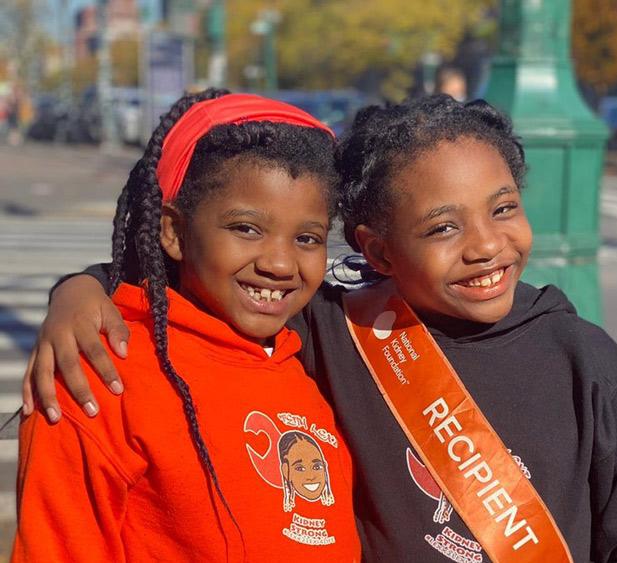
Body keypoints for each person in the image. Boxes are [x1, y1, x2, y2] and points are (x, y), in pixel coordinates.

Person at [25, 95, 617, 562]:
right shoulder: (337, 330)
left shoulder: (589, 364)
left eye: (502, 209)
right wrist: (82, 289)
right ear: (376, 251)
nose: (486, 245)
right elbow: (196, 269)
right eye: (442, 227)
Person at [13, 89, 361, 562]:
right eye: (246, 228)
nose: (281, 263)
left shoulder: (306, 354)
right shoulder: (98, 370)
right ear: (173, 232)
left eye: (307, 238)